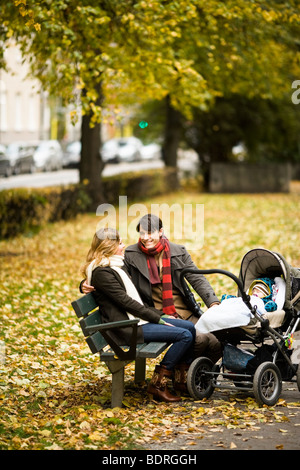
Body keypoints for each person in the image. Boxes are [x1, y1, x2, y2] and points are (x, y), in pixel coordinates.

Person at [82, 214, 222, 363]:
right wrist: (85, 283)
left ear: (160, 232)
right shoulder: (130, 256)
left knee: (217, 342)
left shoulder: (178, 252)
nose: (146, 237)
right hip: (153, 312)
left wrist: (213, 303)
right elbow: (108, 275)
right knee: (199, 339)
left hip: (183, 311)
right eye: (142, 233)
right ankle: (180, 372)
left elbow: (197, 278)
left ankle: (196, 374)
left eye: (150, 233)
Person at [81, 227, 196, 403]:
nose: (123, 245)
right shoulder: (103, 272)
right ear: (109, 247)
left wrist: (160, 316)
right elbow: (126, 302)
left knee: (190, 327)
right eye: (119, 243)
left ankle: (180, 379)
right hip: (126, 328)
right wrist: (158, 318)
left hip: (136, 321)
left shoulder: (115, 265)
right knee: (184, 335)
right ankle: (158, 385)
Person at [195, 277, 284, 334]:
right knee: (222, 309)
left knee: (240, 311)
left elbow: (271, 305)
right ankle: (212, 317)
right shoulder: (249, 297)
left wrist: (268, 305)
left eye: (259, 291)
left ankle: (222, 318)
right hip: (242, 304)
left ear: (266, 293)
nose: (255, 293)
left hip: (251, 311)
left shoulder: (263, 301)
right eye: (254, 290)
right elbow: (239, 300)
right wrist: (228, 298)